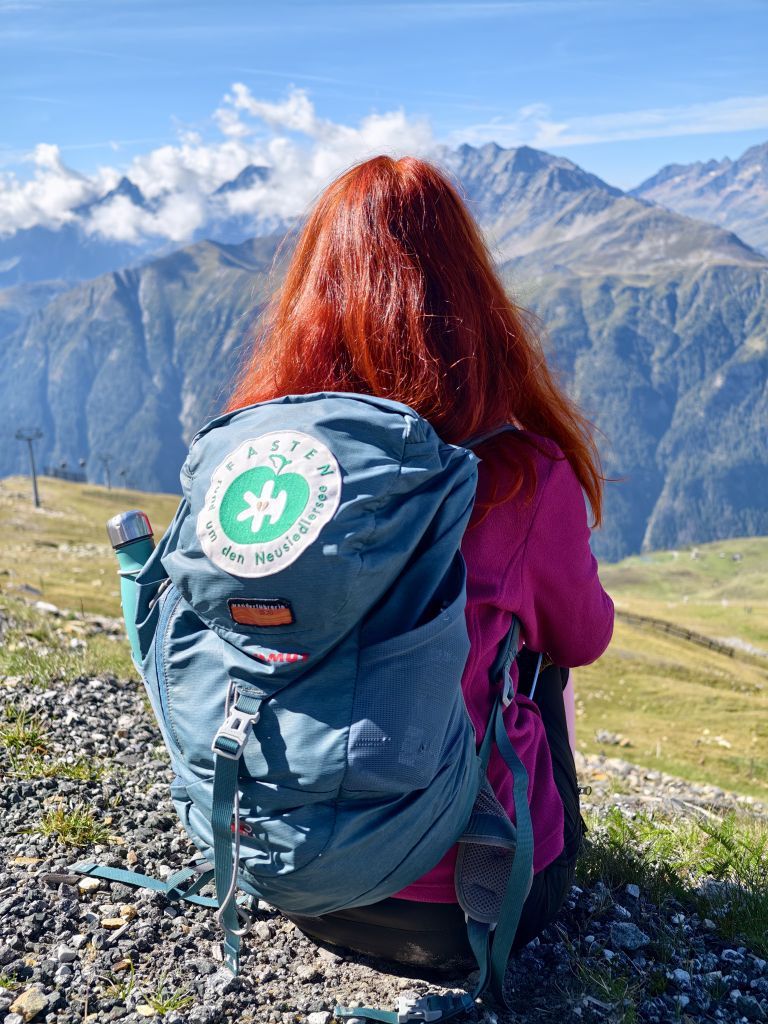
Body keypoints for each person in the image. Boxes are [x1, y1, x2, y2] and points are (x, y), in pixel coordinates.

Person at [225, 154, 614, 970]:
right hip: (472, 911)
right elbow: (585, 636)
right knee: (542, 660)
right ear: (470, 296)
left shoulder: (262, 461)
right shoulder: (519, 473)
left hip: (300, 878)